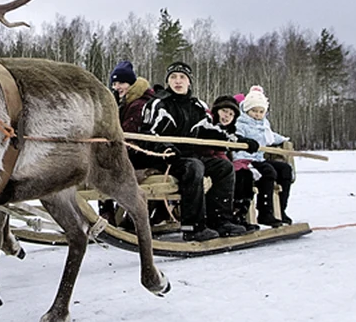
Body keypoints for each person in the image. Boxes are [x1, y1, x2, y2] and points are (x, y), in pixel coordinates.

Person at [139, 61, 252, 241]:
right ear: (168, 81)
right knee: (194, 167)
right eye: (173, 77)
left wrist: (241, 141)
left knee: (224, 166)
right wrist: (165, 148)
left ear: (189, 82)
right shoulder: (158, 104)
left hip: (190, 155)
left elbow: (214, 132)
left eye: (182, 77)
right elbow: (147, 134)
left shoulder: (198, 106)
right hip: (164, 158)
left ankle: (220, 220)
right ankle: (193, 227)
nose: (178, 81)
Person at [100, 60, 171, 227]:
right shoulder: (125, 102)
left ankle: (107, 213)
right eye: (115, 83)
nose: (117, 87)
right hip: (134, 150)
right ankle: (108, 212)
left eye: (122, 82)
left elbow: (128, 134)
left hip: (140, 152)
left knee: (102, 167)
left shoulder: (139, 104)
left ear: (132, 84)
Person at [233, 85, 294, 227]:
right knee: (268, 172)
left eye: (261, 112)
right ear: (246, 110)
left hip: (259, 159)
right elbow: (235, 139)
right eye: (254, 111)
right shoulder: (241, 123)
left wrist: (284, 140)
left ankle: (281, 209)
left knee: (285, 169)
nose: (257, 114)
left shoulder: (263, 125)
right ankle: (264, 211)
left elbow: (271, 137)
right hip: (247, 159)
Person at [210, 94, 260, 232]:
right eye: (224, 111)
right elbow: (223, 139)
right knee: (231, 174)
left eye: (231, 114)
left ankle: (238, 215)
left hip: (223, 163)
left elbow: (233, 138)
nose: (226, 116)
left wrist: (246, 142)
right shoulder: (209, 124)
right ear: (216, 111)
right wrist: (238, 142)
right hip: (210, 162)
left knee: (245, 175)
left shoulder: (230, 131)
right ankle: (221, 217)